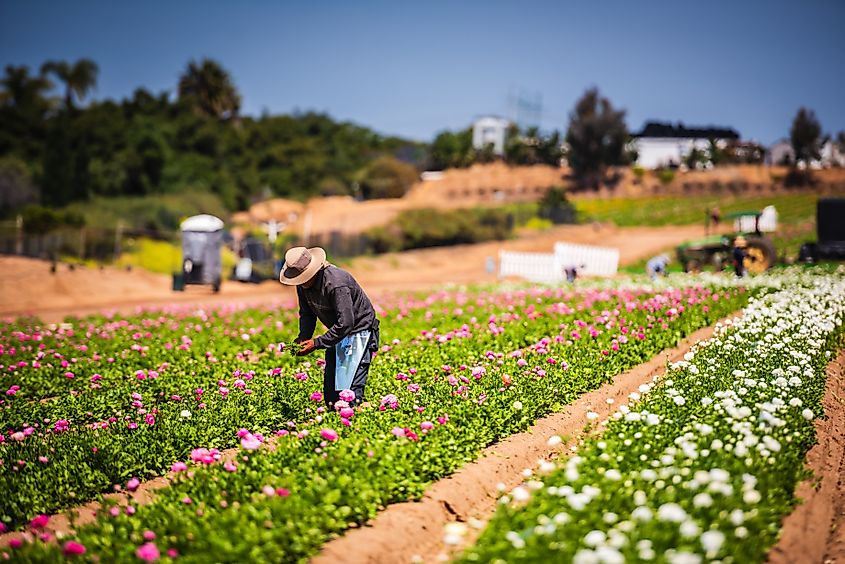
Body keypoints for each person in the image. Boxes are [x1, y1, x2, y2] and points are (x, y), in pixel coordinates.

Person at [279, 246, 379, 407]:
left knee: (350, 394)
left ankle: (353, 426)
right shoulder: (303, 284)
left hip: (359, 332)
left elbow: (346, 322)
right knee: (332, 396)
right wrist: (304, 336)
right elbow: (307, 313)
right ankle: (337, 424)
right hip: (338, 334)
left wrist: (316, 343)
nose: (300, 282)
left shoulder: (336, 283)